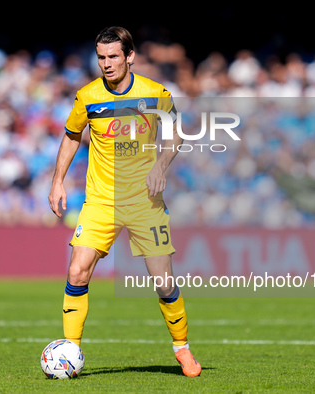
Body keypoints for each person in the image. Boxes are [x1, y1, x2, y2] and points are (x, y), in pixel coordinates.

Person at [48, 26, 201, 377]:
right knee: (76, 271)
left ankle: (182, 349)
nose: (106, 63)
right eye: (101, 57)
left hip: (145, 201)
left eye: (113, 56)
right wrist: (57, 182)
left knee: (163, 283)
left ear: (130, 56)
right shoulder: (87, 96)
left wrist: (161, 165)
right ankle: (70, 352)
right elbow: (72, 137)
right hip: (101, 200)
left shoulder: (156, 92)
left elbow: (176, 133)